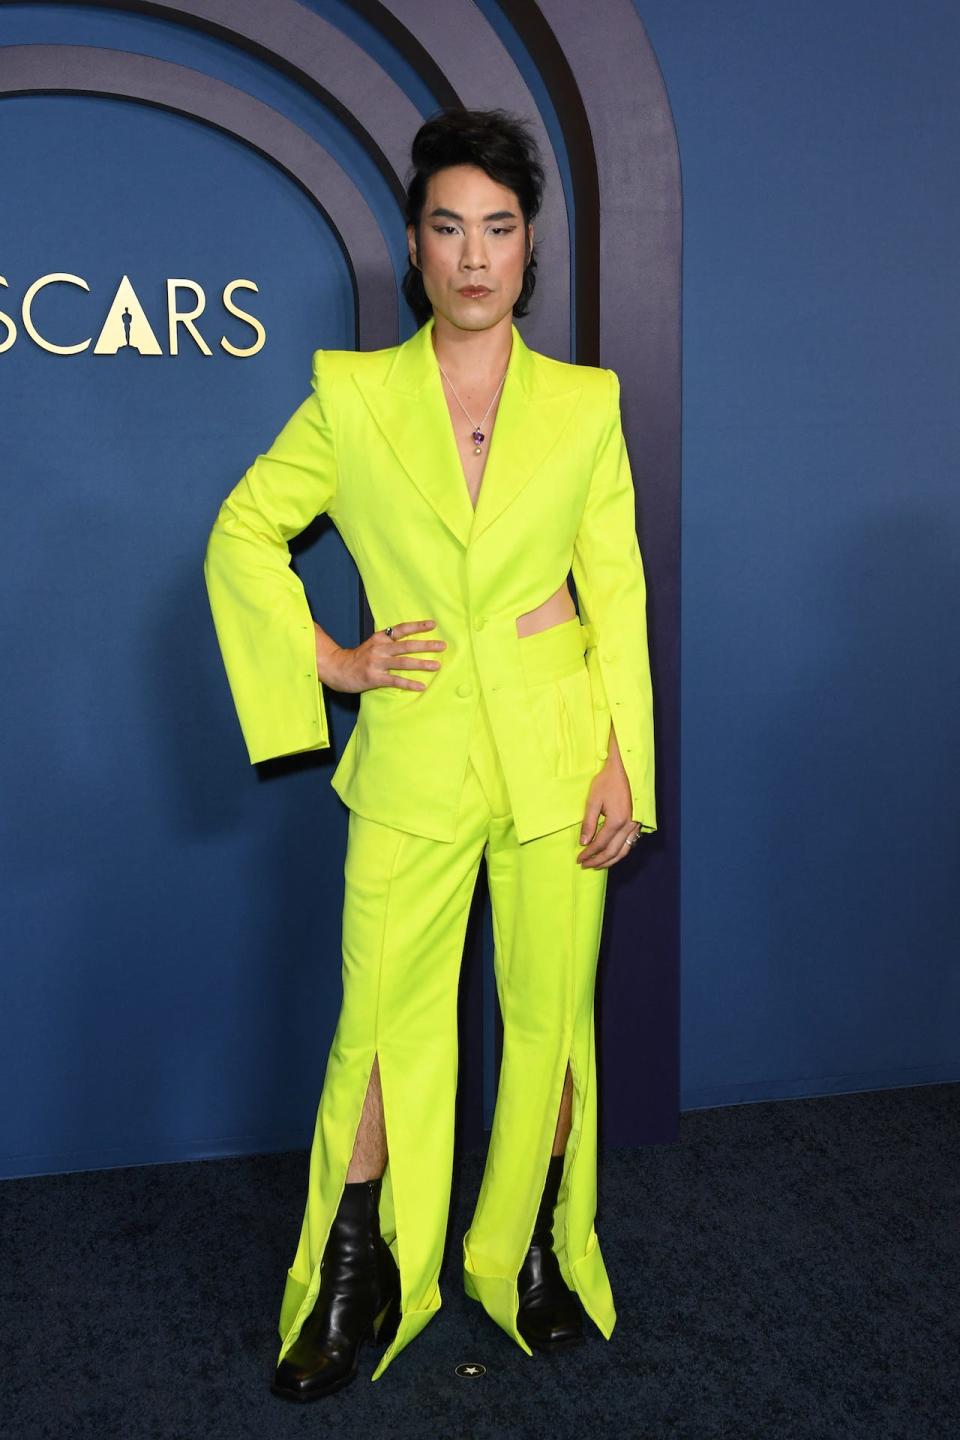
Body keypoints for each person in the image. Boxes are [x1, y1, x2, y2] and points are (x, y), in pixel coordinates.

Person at [203, 107, 656, 1403]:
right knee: (379, 1029)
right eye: (449, 228)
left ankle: (524, 1257)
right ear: (414, 249)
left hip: (562, 753)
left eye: (499, 229)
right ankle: (360, 1274)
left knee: (547, 1022)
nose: (474, 255)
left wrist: (629, 763)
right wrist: (333, 666)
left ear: (529, 252)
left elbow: (613, 593)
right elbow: (244, 534)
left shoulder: (584, 406)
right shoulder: (351, 397)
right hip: (409, 754)